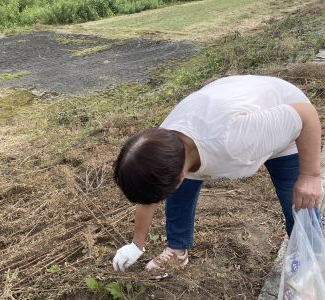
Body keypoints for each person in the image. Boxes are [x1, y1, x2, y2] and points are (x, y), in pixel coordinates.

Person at [111, 75, 322, 279]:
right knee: (178, 193)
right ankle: (177, 250)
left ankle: (308, 263)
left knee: (299, 202)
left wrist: (310, 176)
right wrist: (136, 244)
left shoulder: (232, 140)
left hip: (287, 119)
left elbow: (306, 115)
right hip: (233, 99)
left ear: (182, 174)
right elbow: (149, 193)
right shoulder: (163, 148)